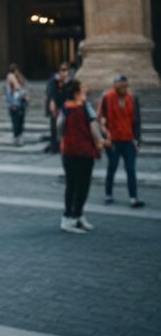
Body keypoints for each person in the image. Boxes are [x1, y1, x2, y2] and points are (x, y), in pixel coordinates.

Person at [58, 79, 108, 234]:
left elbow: (59, 127)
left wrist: (66, 140)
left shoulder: (65, 108)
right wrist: (100, 143)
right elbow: (94, 128)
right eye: (83, 88)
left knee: (71, 185)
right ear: (76, 93)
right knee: (82, 186)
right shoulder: (85, 108)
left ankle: (72, 217)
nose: (86, 90)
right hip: (84, 152)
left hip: (69, 152)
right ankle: (73, 218)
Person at [98, 76, 144, 208]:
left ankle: (133, 198)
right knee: (112, 167)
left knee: (131, 169)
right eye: (121, 85)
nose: (124, 87)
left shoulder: (132, 98)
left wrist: (138, 140)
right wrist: (105, 138)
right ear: (115, 85)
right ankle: (108, 194)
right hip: (113, 141)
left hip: (129, 140)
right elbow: (101, 118)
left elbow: (137, 121)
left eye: (126, 85)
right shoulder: (107, 97)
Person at [44, 62, 72, 153]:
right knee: (54, 128)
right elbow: (50, 94)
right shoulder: (54, 81)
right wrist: (52, 103)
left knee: (65, 128)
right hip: (56, 108)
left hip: (66, 108)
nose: (63, 72)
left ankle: (63, 145)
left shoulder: (70, 82)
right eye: (62, 70)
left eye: (65, 70)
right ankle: (54, 146)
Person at [4, 63, 28, 146]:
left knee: (20, 121)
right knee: (16, 122)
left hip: (21, 104)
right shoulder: (9, 80)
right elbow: (8, 95)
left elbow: (23, 88)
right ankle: (16, 137)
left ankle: (19, 137)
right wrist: (13, 104)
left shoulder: (19, 79)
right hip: (14, 105)